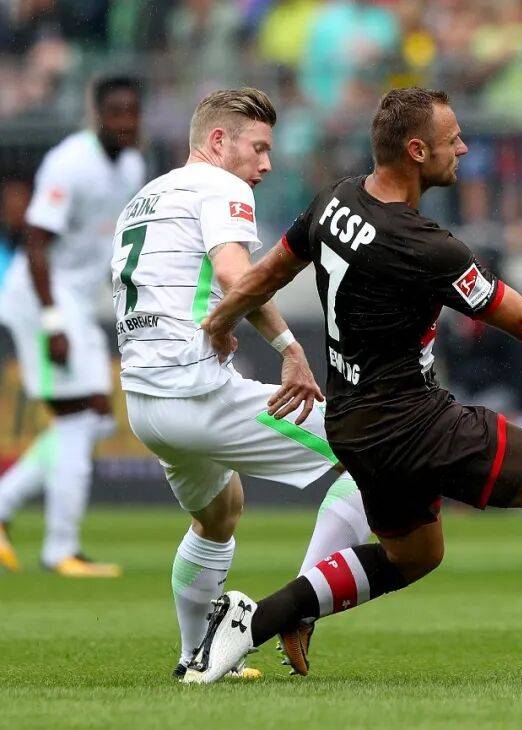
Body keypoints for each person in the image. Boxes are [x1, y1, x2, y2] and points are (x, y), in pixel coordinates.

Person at [186, 87, 522, 687]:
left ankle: (257, 619)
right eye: (453, 141)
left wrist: (218, 322)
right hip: (411, 420)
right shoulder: (425, 246)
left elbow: (264, 276)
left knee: (415, 556)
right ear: (417, 150)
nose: (464, 149)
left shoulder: (333, 202)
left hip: (355, 423)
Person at [111, 88, 370, 680]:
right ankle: (298, 608)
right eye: (258, 148)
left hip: (146, 405)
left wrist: (215, 325)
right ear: (219, 142)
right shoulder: (221, 187)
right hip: (194, 391)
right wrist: (290, 349)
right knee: (376, 447)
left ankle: (194, 658)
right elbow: (236, 275)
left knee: (220, 512)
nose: (267, 164)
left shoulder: (144, 198)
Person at [0, 77, 145, 577]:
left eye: (132, 113)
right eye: (116, 113)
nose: (125, 122)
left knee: (93, 418)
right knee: (80, 420)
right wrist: (53, 320)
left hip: (76, 302)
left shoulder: (132, 166)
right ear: (96, 114)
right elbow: (36, 243)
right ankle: (60, 549)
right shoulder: (70, 161)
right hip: (41, 298)